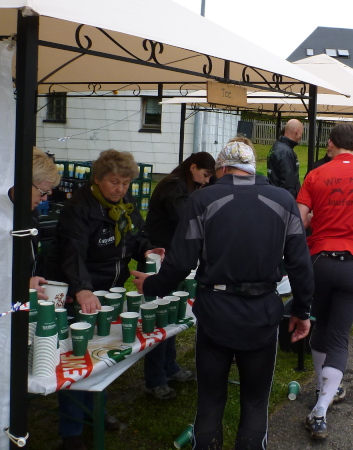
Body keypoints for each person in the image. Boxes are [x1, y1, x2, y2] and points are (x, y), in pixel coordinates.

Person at [131, 139, 314, 449]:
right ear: (251, 168)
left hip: (216, 311)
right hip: (261, 312)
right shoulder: (283, 200)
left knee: (210, 402)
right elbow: (300, 263)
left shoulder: (202, 199)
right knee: (255, 403)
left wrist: (151, 285)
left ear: (222, 168)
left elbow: (180, 263)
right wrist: (302, 311)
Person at [47, 150, 165, 450]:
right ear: (97, 179)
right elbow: (72, 252)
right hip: (80, 294)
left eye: (125, 183)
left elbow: (134, 237)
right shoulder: (79, 208)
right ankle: (72, 432)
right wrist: (82, 288)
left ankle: (95, 413)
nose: (121, 189)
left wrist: (147, 250)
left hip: (109, 292)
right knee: (77, 359)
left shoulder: (124, 205)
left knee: (102, 358)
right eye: (114, 182)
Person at [297, 123, 353, 440]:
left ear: (330, 143)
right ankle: (321, 407)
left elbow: (300, 219)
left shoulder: (315, 174)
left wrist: (319, 218)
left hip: (319, 260)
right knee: (338, 338)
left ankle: (324, 389)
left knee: (320, 327)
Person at [141, 151, 215, 400]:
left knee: (171, 315)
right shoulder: (172, 186)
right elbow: (186, 216)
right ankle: (155, 379)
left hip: (171, 258)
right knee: (159, 318)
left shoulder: (186, 186)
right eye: (205, 175)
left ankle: (169, 366)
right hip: (159, 257)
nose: (206, 181)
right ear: (192, 167)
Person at [7, 147, 61, 300]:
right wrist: (21, 284)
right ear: (24, 183)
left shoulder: (30, 213)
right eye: (43, 192)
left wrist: (33, 280)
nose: (44, 199)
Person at [267, 118, 303, 198]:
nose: (300, 137)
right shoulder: (286, 152)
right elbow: (288, 183)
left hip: (275, 195)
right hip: (284, 199)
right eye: (301, 134)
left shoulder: (277, 146)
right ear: (297, 132)